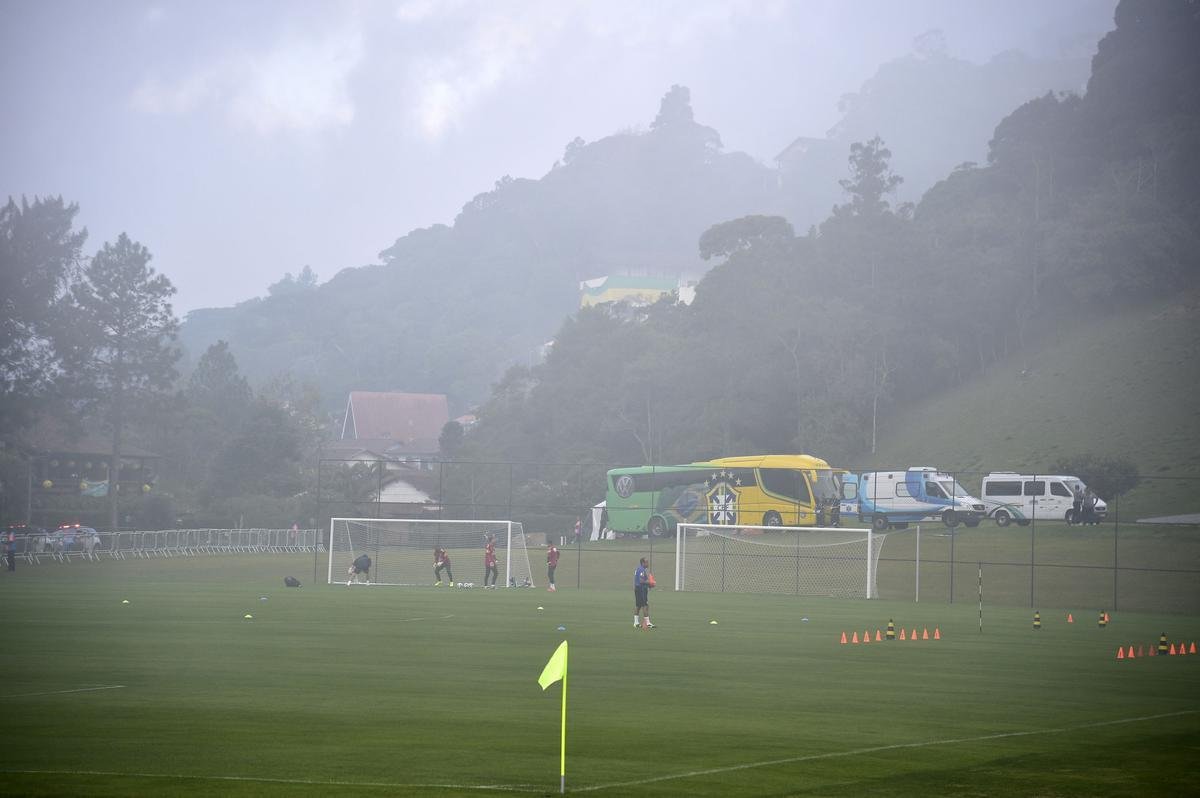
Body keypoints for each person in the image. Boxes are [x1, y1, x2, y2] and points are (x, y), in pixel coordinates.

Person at [633, 557, 654, 629]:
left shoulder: (638, 569)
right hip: (641, 590)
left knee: (638, 605)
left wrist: (648, 584)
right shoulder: (642, 570)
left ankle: (636, 623)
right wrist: (650, 583)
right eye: (646, 562)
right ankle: (648, 623)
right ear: (643, 563)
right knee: (645, 605)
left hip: (638, 589)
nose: (648, 563)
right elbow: (641, 581)